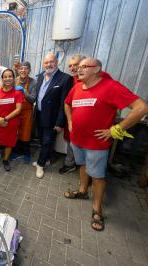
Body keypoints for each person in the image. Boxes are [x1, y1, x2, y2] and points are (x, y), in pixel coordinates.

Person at [63, 57, 148, 231]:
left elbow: (141, 108)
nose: (79, 70)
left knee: (98, 176)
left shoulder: (111, 86)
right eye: (78, 67)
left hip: (96, 143)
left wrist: (115, 130)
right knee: (82, 165)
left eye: (84, 66)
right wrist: (71, 121)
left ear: (97, 69)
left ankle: (97, 209)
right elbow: (67, 104)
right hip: (77, 139)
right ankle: (82, 190)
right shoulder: (77, 87)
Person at [33, 53, 73, 179]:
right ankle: (46, 159)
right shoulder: (40, 77)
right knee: (41, 139)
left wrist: (60, 122)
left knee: (47, 142)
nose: (48, 64)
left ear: (57, 63)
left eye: (51, 62)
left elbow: (64, 103)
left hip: (52, 118)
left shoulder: (65, 79)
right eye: (46, 62)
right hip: (39, 115)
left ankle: (40, 165)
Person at [0, 69, 23, 171]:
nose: (7, 79)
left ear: (13, 78)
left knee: (9, 143)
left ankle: (5, 160)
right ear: (2, 79)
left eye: (10, 76)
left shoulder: (18, 92)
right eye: (5, 77)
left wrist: (5, 119)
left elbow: (18, 109)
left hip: (11, 123)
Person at [10, 61, 37, 164]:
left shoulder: (33, 82)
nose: (23, 70)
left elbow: (33, 99)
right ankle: (17, 152)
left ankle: (26, 153)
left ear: (29, 70)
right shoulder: (14, 81)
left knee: (26, 134)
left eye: (26, 68)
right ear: (18, 70)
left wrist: (24, 92)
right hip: (15, 112)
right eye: (21, 68)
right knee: (15, 133)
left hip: (27, 112)